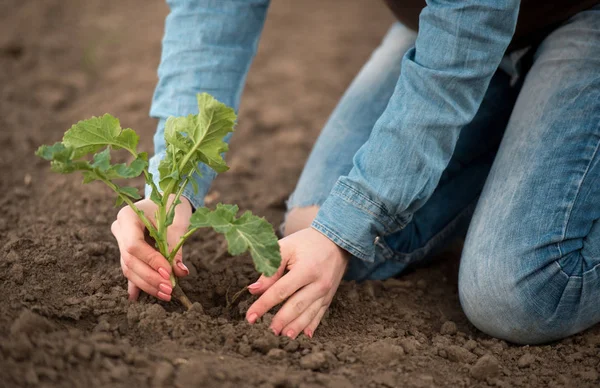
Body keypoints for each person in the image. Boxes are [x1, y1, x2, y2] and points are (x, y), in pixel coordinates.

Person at [110, 0, 600, 345]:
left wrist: (347, 227)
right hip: (443, 27)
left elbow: (460, 54)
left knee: (520, 293)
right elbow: (211, 15)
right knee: (312, 229)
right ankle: (527, 134)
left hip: (557, 20)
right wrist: (170, 189)